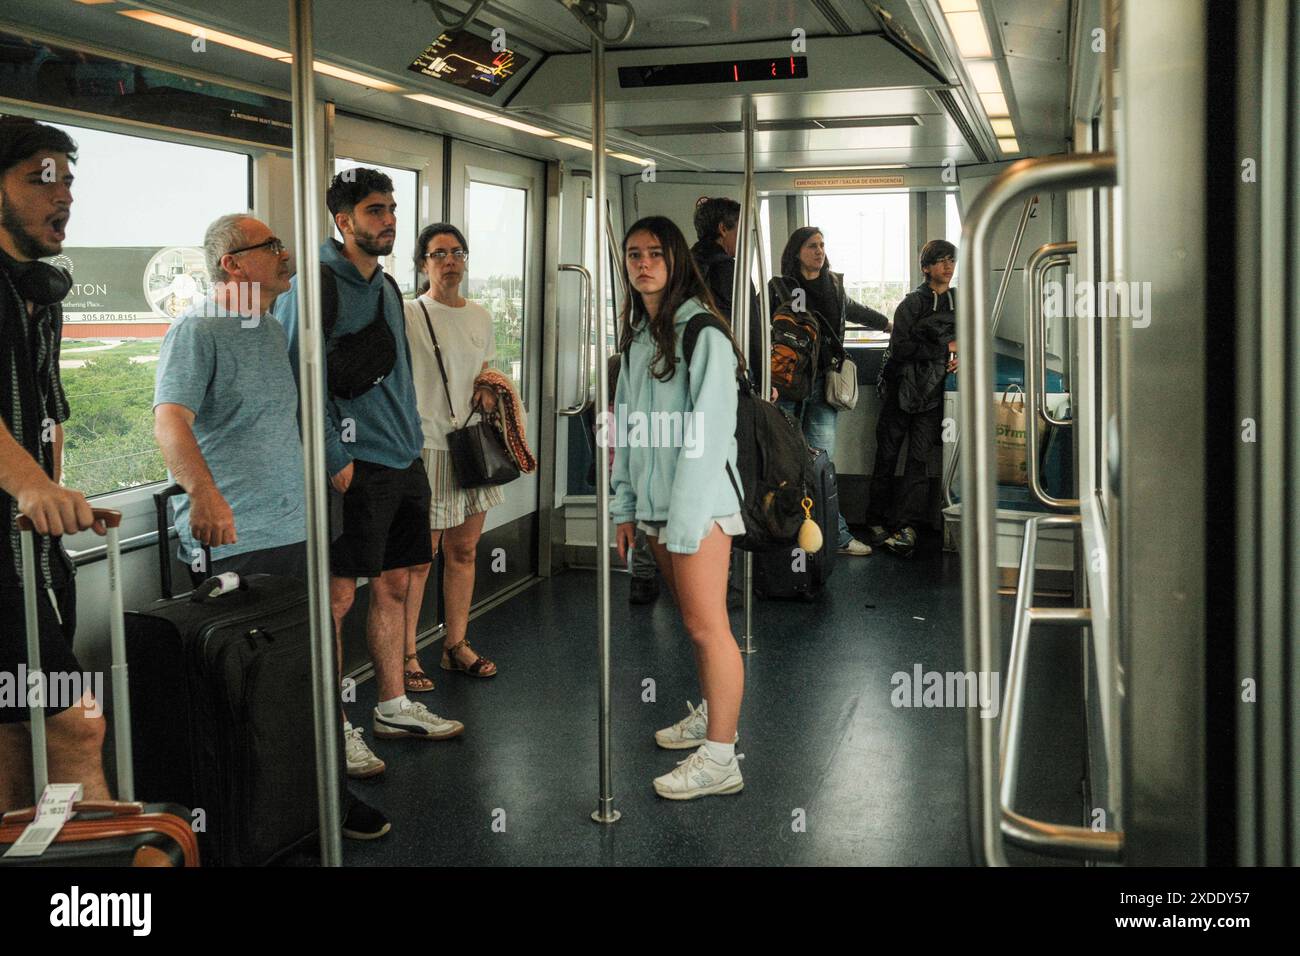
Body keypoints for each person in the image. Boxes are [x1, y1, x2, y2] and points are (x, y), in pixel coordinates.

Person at [153, 212, 389, 839]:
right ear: (233, 264)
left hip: (294, 529)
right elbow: (170, 420)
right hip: (237, 538)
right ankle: (255, 820)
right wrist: (203, 495)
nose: (286, 255)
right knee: (252, 692)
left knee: (307, 676)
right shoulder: (198, 328)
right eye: (272, 247)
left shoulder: (262, 327)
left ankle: (321, 801)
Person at [276, 168, 464, 758]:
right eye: (376, 211)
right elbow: (297, 379)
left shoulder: (384, 286)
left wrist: (411, 443)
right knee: (337, 597)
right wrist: (334, 456)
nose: (388, 221)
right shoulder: (317, 287)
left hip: (402, 456)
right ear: (344, 220)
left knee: (401, 581)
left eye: (391, 210)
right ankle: (333, 730)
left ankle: (391, 707)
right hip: (354, 463)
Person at [610, 215, 747, 801]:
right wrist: (625, 508)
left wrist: (685, 525)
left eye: (655, 254)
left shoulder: (703, 334)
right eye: (634, 254)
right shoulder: (640, 337)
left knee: (707, 625)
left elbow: (708, 439)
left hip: (700, 510)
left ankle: (721, 757)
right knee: (695, 625)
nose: (643, 264)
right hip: (658, 509)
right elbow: (626, 428)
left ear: (676, 262)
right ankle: (710, 714)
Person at [0, 118, 111, 814]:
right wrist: (31, 484)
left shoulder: (39, 296)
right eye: (43, 177)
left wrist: (56, 497)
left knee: (16, 731)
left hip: (29, 548)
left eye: (68, 179)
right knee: (76, 724)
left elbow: (47, 412)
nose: (62, 192)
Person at [400, 223, 502, 689]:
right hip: (429, 446)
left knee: (463, 551)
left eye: (457, 252)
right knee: (422, 557)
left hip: (470, 447)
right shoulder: (408, 313)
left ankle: (454, 644)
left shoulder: (480, 316)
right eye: (439, 254)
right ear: (423, 263)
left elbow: (485, 369)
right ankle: (406, 654)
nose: (450, 261)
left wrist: (486, 386)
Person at [770, 226, 890, 556]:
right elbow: (759, 330)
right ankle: (786, 533)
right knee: (786, 462)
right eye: (812, 246)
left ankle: (834, 535)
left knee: (822, 462)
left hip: (824, 381)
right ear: (796, 252)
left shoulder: (833, 284)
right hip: (788, 385)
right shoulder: (779, 288)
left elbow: (853, 310)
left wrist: (889, 324)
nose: (819, 251)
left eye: (822, 245)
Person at [866, 239, 958, 558]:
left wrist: (961, 354)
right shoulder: (910, 305)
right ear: (926, 268)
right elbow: (902, 348)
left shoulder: (959, 303)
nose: (947, 267)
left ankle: (907, 525)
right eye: (940, 261)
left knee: (918, 461)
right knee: (887, 456)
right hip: (901, 389)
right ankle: (876, 520)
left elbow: (970, 339)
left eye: (951, 261)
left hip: (931, 393)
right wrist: (944, 349)